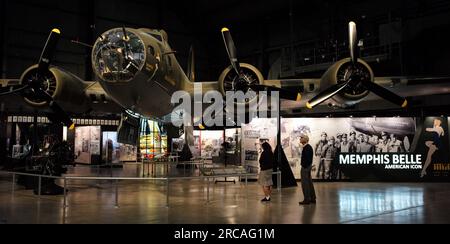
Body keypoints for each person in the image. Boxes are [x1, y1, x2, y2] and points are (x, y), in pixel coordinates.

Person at [299, 135, 316, 205]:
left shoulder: (307, 148)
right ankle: (312, 198)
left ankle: (307, 199)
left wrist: (304, 166)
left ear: (305, 139)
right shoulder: (307, 147)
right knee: (309, 183)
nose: (300, 139)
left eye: (301, 138)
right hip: (307, 167)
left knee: (305, 184)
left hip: (305, 168)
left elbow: (308, 159)